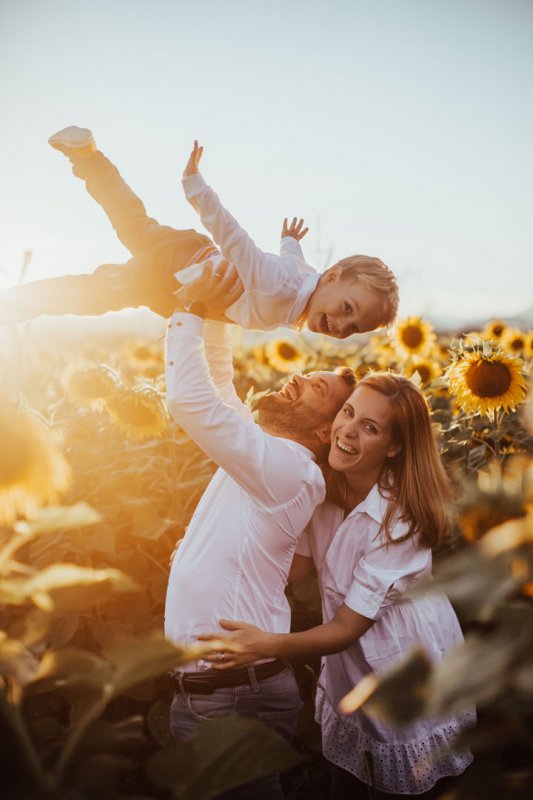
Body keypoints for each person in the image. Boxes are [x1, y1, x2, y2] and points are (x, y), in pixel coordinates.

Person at [198, 373, 476, 799]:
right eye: (348, 413)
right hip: (350, 666)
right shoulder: (321, 489)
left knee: (404, 776)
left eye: (371, 427)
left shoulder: (399, 520)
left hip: (404, 664)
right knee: (346, 776)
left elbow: (348, 626)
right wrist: (211, 548)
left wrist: (266, 643)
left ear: (394, 447)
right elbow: (292, 569)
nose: (349, 430)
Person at [163, 262, 356, 800]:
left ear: (324, 431)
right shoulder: (274, 459)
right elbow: (222, 387)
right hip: (224, 689)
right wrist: (220, 315)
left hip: (227, 694)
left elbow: (191, 401)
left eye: (315, 387)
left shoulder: (288, 469)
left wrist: (189, 309)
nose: (296, 377)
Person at [0, 127, 398, 340]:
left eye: (355, 327)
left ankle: (89, 157)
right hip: (173, 274)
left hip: (189, 254)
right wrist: (196, 187)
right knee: (95, 292)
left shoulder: (302, 281)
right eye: (347, 309)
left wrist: (290, 239)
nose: (342, 327)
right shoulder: (281, 286)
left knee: (131, 221)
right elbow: (237, 241)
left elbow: (291, 256)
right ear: (331, 277)